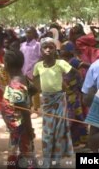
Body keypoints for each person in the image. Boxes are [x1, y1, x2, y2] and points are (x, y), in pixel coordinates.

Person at [33, 37, 74, 168]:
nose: (48, 49)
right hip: (46, 100)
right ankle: (46, 160)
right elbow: (35, 85)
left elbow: (76, 74)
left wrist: (68, 86)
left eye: (51, 47)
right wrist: (35, 104)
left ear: (55, 49)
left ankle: (56, 162)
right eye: (45, 47)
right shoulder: (38, 66)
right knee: (47, 132)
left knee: (59, 131)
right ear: (41, 50)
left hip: (60, 99)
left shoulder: (61, 63)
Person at [2, 50, 36, 169]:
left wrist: (29, 129)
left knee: (22, 155)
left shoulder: (16, 85)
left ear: (7, 64)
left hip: (20, 129)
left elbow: (25, 112)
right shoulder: (22, 79)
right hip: (16, 128)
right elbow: (33, 89)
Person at [60, 42, 88, 147]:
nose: (61, 50)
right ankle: (75, 140)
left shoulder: (73, 61)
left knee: (73, 117)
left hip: (73, 95)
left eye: (63, 49)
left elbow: (84, 65)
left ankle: (80, 139)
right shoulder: (64, 62)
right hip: (68, 94)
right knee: (75, 117)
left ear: (70, 51)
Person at [20, 26, 41, 118]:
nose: (28, 34)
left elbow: (40, 57)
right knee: (25, 90)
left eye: (30, 32)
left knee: (35, 90)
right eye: (27, 32)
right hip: (23, 71)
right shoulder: (23, 45)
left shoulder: (37, 45)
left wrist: (34, 67)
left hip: (33, 71)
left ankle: (36, 109)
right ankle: (29, 107)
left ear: (34, 34)